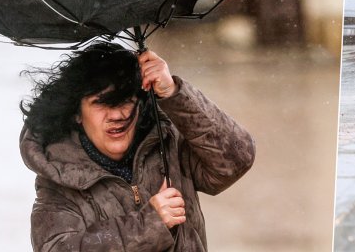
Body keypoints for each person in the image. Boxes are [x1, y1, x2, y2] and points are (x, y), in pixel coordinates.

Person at [19, 42, 256, 251]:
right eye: (101, 103)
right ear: (77, 114)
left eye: (125, 100)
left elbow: (237, 158)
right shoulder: (58, 180)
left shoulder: (168, 142)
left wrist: (173, 93)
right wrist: (149, 225)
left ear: (140, 103)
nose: (117, 115)